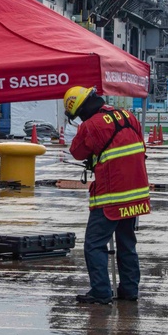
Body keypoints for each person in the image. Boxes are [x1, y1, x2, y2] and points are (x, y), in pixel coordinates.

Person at [65, 86, 151, 305]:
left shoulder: (90, 125)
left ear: (81, 109)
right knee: (127, 243)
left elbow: (77, 152)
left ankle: (101, 292)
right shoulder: (129, 116)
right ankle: (129, 290)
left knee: (94, 244)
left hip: (110, 195)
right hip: (136, 193)